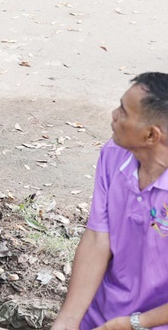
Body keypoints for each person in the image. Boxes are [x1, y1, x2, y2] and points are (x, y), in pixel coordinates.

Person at [51, 73, 168, 330]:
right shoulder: (113, 155)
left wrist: (136, 323)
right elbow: (97, 238)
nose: (114, 115)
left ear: (151, 135)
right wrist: (67, 322)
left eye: (124, 112)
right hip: (105, 314)